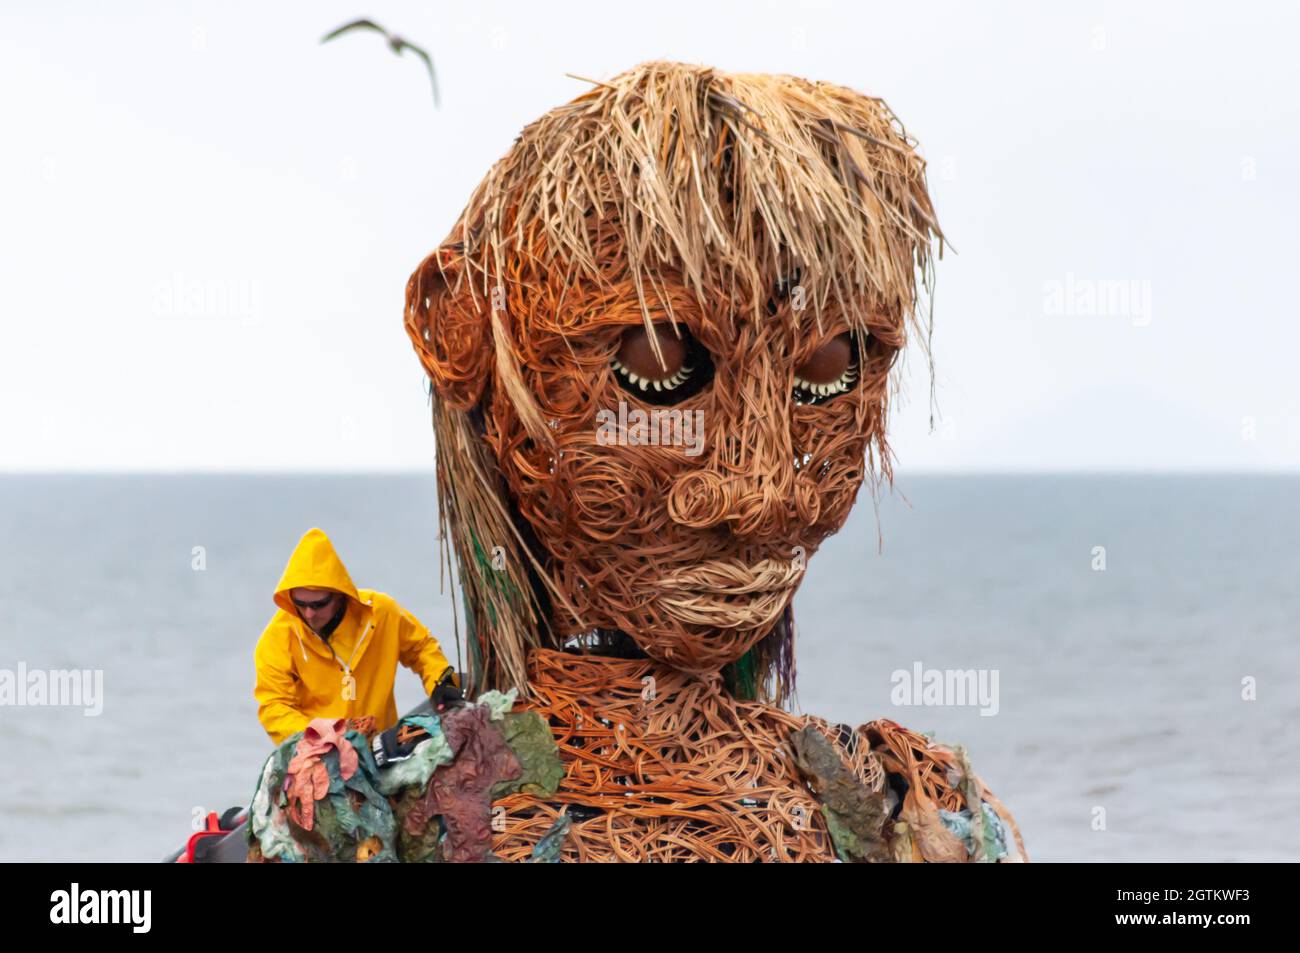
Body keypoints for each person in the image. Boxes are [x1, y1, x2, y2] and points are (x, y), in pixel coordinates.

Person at [253, 527, 456, 745]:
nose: (309, 614)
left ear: (340, 595)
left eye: (318, 604)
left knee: (440, 736)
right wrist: (325, 735)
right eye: (300, 604)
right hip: (319, 752)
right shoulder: (277, 637)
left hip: (382, 746)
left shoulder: (382, 612)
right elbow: (274, 707)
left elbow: (421, 648)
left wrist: (441, 682)